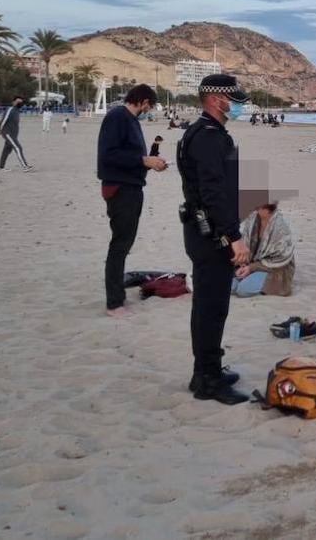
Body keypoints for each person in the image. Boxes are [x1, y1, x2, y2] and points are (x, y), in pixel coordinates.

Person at [177, 74, 252, 405]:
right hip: (211, 237)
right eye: (232, 100)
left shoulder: (206, 133)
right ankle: (207, 379)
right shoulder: (207, 137)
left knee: (211, 306)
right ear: (214, 99)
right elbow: (212, 193)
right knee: (211, 308)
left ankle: (208, 369)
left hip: (207, 232)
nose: (237, 105)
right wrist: (234, 237)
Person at [97, 84, 168, 317]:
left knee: (124, 243)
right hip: (120, 189)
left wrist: (151, 162)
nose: (149, 110)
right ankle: (114, 303)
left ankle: (118, 297)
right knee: (120, 244)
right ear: (144, 101)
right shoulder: (118, 116)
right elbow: (109, 154)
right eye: (150, 105)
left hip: (132, 187)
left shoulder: (131, 120)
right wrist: (143, 160)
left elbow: (134, 159)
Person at [231, 203, 296, 297]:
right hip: (252, 263)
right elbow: (245, 245)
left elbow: (280, 259)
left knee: (242, 290)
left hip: (274, 269)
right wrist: (242, 263)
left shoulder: (280, 227)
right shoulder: (253, 218)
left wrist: (251, 268)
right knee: (231, 286)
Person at [0, 95, 32, 172]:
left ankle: (1, 167)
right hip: (7, 133)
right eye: (18, 101)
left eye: (21, 102)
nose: (20, 103)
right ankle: (25, 166)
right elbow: (3, 120)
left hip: (13, 135)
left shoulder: (17, 111)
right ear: (13, 102)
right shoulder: (10, 109)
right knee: (18, 147)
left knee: (6, 150)